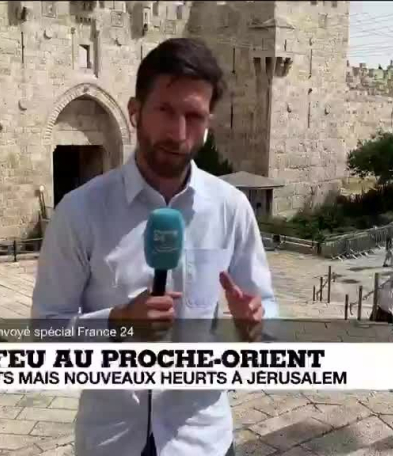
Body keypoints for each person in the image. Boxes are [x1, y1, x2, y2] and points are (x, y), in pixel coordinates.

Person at [31, 38, 277, 456]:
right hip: (111, 441)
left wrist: (254, 327)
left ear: (208, 122)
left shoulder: (231, 208)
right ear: (135, 111)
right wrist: (116, 325)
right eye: (165, 110)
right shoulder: (79, 212)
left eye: (194, 116)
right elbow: (45, 335)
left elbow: (268, 318)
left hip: (202, 439)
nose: (178, 133)